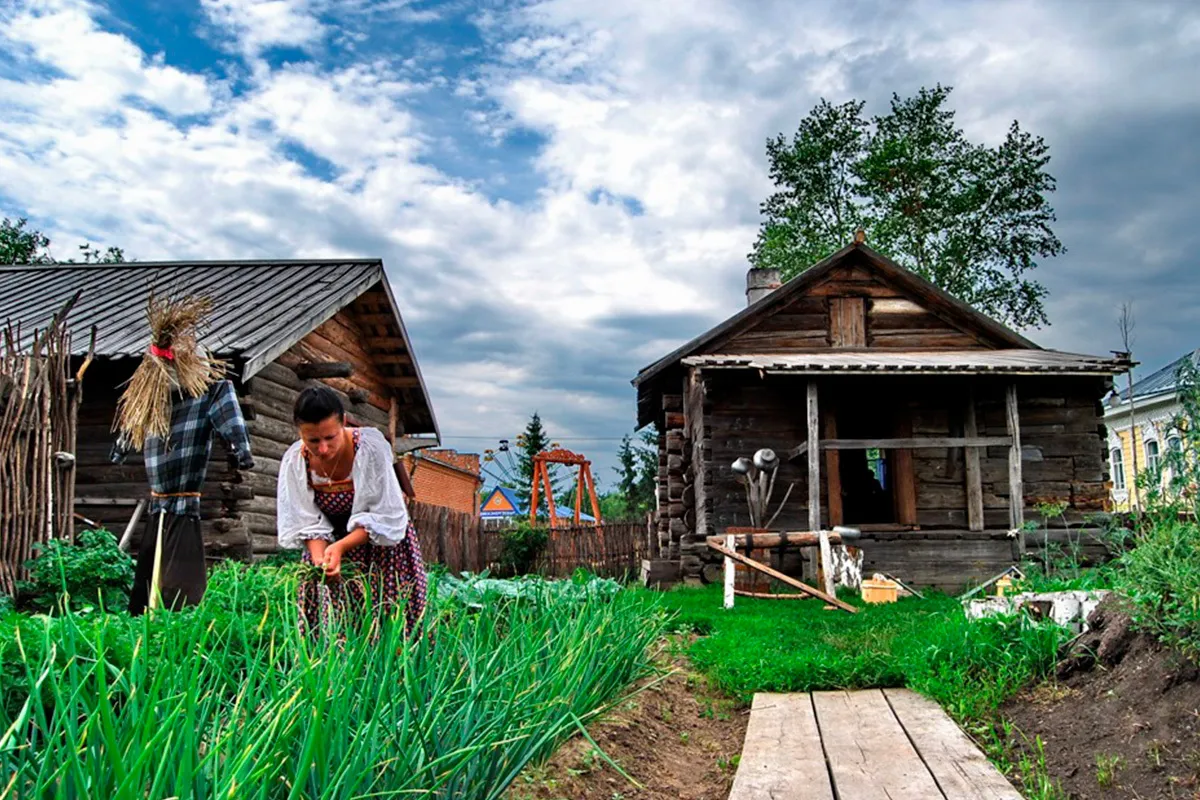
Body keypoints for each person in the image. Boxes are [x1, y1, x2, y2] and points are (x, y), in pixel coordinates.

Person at [277, 386, 427, 638]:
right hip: (328, 547)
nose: (323, 448)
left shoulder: (369, 448)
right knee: (336, 629)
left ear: (343, 422)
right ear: (300, 432)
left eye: (330, 437)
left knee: (390, 626)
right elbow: (305, 520)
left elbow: (384, 516)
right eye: (313, 440)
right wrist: (321, 562)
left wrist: (341, 547)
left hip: (381, 548)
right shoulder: (295, 460)